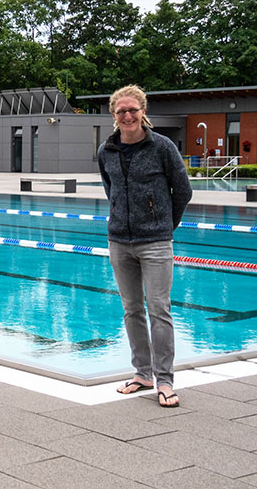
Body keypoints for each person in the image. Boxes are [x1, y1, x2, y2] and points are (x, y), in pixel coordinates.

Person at [98, 85, 192, 408]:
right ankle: (142, 373)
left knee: (159, 310)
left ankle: (164, 380)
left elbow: (183, 191)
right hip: (119, 242)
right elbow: (111, 190)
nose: (127, 116)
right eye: (121, 111)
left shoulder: (162, 147)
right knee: (131, 310)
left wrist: (165, 224)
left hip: (155, 242)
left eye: (132, 110)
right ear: (114, 115)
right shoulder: (105, 151)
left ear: (143, 111)